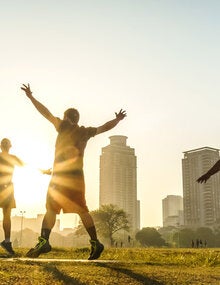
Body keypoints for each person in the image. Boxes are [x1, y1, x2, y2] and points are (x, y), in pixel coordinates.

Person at [21, 83, 127, 260]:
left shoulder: (63, 126)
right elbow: (104, 127)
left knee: (51, 209)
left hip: (60, 178)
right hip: (77, 177)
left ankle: (44, 241)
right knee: (82, 210)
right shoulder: (85, 132)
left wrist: (31, 97)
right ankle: (95, 242)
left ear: (67, 118)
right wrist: (117, 120)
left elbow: (45, 113)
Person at [0, 138, 24, 255]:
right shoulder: (13, 158)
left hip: (7, 188)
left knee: (7, 216)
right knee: (7, 216)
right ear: (10, 146)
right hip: (7, 187)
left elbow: (26, 165)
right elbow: (26, 165)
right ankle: (7, 241)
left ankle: (7, 242)